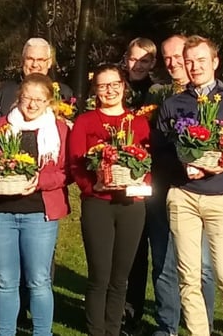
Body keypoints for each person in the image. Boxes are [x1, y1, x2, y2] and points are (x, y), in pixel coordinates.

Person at [154, 36, 223, 336]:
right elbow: (159, 151)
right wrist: (181, 165)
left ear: (215, 62)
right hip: (183, 196)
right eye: (189, 62)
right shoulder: (174, 104)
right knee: (189, 277)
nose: (194, 67)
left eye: (201, 60)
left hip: (220, 198)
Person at [0, 73, 71, 336]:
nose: (31, 105)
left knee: (38, 281)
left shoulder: (59, 130)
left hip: (39, 214)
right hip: (3, 215)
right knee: (6, 281)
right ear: (19, 97)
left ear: (48, 102)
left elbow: (68, 172)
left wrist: (41, 180)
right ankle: (5, 332)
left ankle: (43, 333)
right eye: (27, 98)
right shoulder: (2, 126)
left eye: (38, 100)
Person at [142, 35, 217, 336]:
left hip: (199, 189)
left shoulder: (209, 98)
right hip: (162, 186)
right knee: (163, 261)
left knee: (202, 266)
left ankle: (203, 326)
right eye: (167, 57)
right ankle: (167, 326)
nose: (173, 63)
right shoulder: (156, 95)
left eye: (178, 56)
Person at [69, 64, 151, 336]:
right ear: (96, 90)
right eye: (103, 85)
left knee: (120, 279)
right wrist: (95, 184)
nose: (110, 90)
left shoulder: (137, 123)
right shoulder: (85, 121)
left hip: (131, 206)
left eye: (115, 84)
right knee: (99, 276)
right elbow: (76, 164)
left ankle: (113, 330)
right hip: (98, 204)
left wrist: (141, 184)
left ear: (124, 86)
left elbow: (148, 165)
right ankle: (96, 331)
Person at [121, 37, 156, 334]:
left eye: (145, 61)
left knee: (137, 248)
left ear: (152, 63)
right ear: (126, 59)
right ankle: (111, 306)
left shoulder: (158, 93)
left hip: (144, 179)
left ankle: (132, 310)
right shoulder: (113, 86)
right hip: (112, 176)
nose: (138, 65)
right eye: (134, 59)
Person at [0, 37, 73, 126]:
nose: (34, 65)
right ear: (22, 61)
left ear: (49, 63)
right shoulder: (6, 91)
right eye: (30, 59)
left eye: (40, 60)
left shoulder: (63, 92)